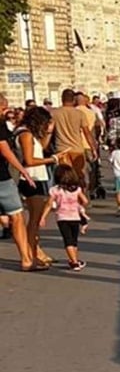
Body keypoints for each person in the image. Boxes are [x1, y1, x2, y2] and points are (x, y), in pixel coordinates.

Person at [16, 105, 58, 269]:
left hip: (37, 177)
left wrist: (49, 132)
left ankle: (35, 251)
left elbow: (42, 148)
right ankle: (32, 253)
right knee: (34, 220)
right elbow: (30, 160)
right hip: (31, 178)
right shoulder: (25, 134)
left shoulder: (29, 134)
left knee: (35, 218)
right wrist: (53, 159)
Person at [0, 96, 35, 269]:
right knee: (17, 216)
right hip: (2, 178)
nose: (5, 111)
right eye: (3, 108)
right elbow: (5, 150)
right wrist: (23, 171)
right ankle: (26, 259)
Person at [51, 90, 99, 195]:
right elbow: (87, 133)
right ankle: (81, 197)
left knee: (64, 177)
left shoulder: (54, 113)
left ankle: (65, 197)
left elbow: (50, 131)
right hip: (77, 149)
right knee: (79, 176)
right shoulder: (79, 114)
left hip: (61, 149)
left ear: (61, 99)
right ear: (73, 100)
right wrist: (93, 148)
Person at [48, 161, 88, 270]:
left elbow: (49, 204)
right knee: (74, 240)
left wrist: (43, 217)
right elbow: (85, 201)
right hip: (75, 217)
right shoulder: (77, 189)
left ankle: (74, 261)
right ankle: (74, 259)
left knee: (67, 240)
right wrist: (78, 205)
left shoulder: (55, 190)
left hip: (62, 218)